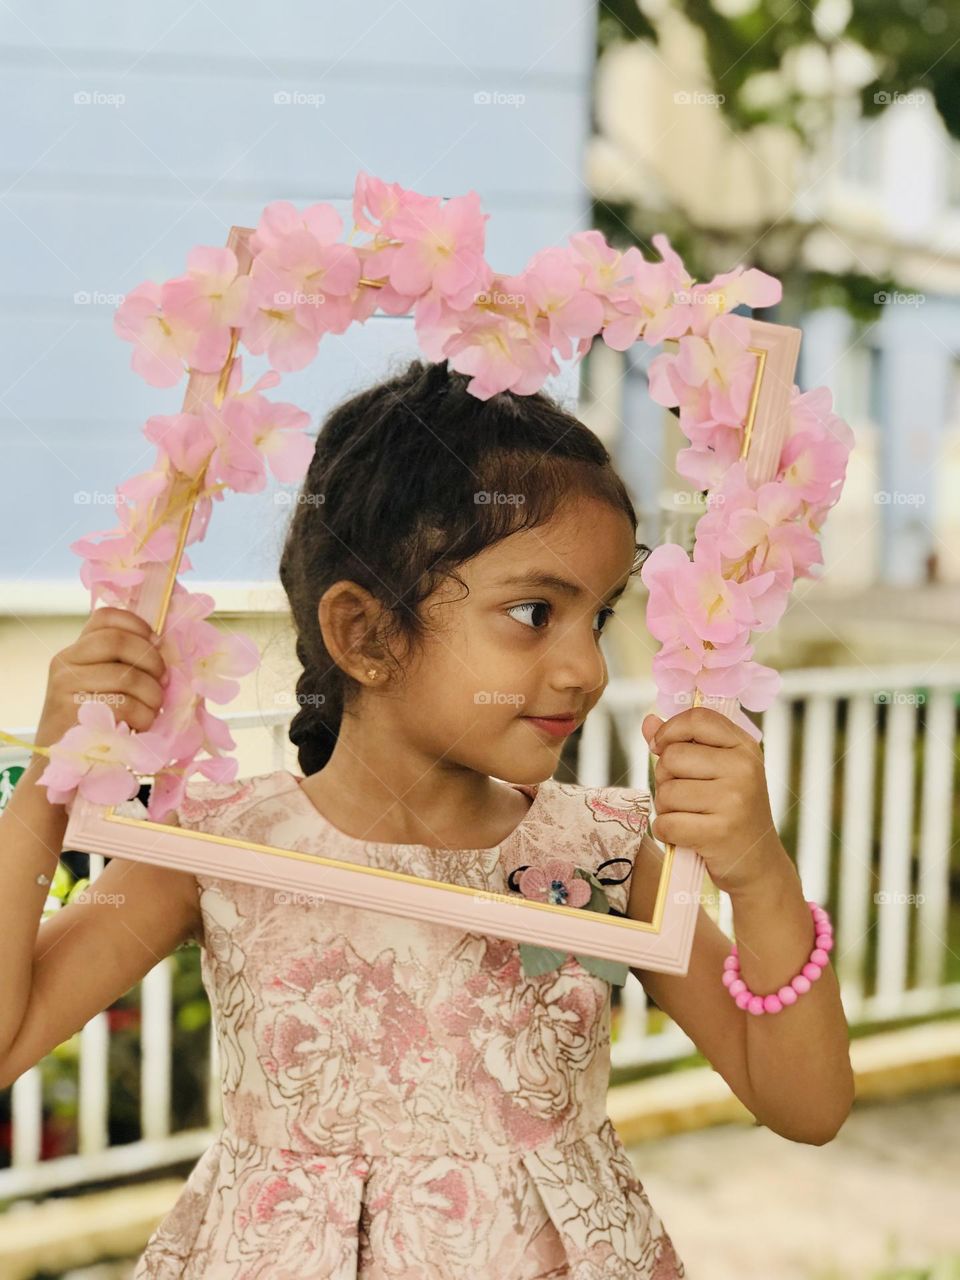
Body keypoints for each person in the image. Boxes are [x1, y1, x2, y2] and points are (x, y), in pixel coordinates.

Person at [0, 356, 853, 1278]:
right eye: (535, 612)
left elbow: (804, 1104)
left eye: (599, 617)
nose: (587, 669)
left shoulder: (598, 856)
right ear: (365, 634)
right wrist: (56, 776)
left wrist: (759, 873)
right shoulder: (222, 850)